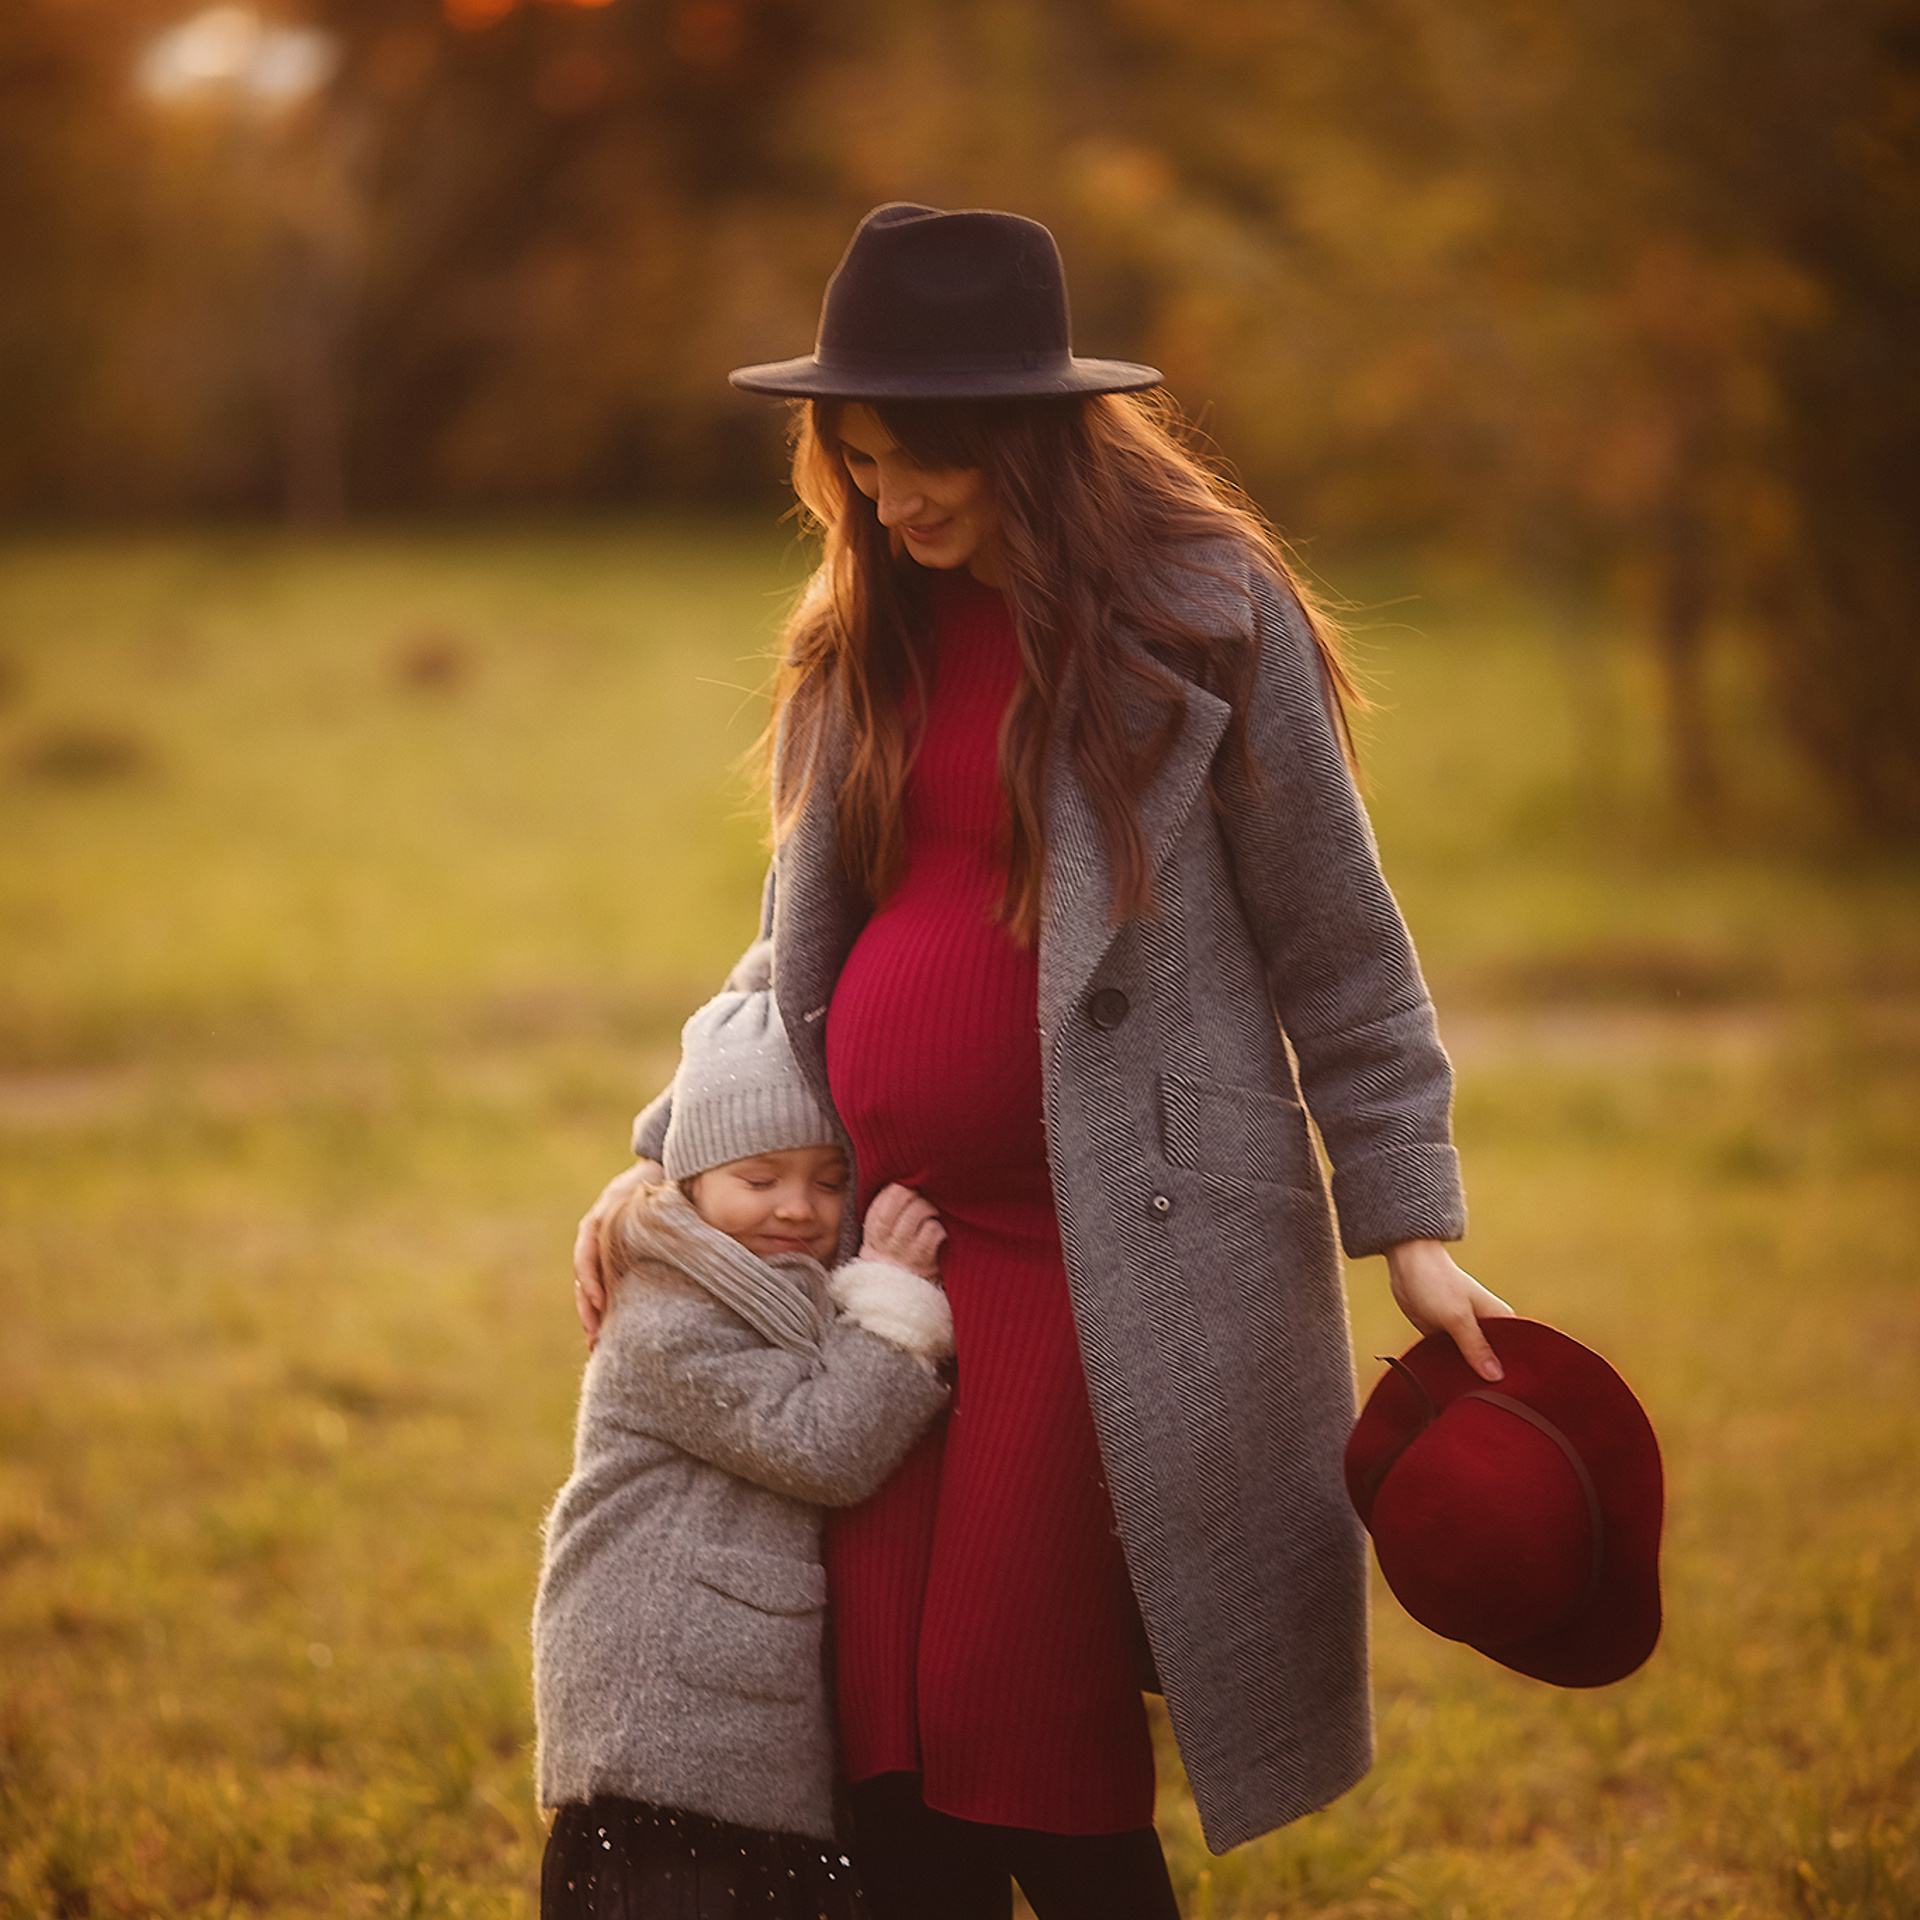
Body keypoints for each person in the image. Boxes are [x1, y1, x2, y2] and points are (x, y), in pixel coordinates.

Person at [573, 204, 1515, 1920]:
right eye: (854, 460)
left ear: (1030, 437)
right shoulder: (870, 627)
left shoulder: (1207, 620)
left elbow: (1342, 943)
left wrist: (1413, 1224)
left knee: (1017, 1720)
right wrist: (664, 1158)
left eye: (919, 459)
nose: (885, 497)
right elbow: (798, 946)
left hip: (1114, 1256)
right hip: (892, 1259)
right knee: (889, 1741)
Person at [534, 978, 956, 1919]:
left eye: (829, 1178)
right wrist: (892, 1301)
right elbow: (820, 1446)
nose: (799, 1208)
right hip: (663, 1736)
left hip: (723, 1725)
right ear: (687, 1178)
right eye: (760, 1179)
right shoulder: (666, 1312)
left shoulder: (762, 1278)